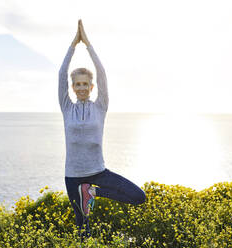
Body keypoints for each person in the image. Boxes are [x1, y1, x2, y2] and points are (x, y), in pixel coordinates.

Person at [58, 19, 146, 239]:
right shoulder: (67, 107)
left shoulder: (100, 105)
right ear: (72, 87)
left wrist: (87, 44)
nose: (81, 88)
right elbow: (61, 74)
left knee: (138, 197)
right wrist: (72, 45)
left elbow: (102, 71)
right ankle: (86, 196)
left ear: (91, 86)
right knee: (82, 229)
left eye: (85, 84)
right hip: (73, 177)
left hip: (98, 172)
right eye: (77, 84)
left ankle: (93, 192)